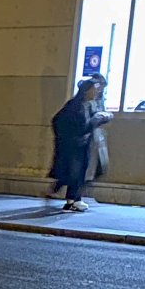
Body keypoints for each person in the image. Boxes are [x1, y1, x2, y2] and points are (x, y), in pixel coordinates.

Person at [49, 79, 109, 212]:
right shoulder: (78, 106)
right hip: (77, 144)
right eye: (94, 89)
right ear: (87, 90)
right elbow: (82, 125)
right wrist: (97, 119)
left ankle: (72, 200)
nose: (96, 92)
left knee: (78, 172)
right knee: (77, 172)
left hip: (79, 143)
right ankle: (75, 200)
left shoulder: (84, 104)